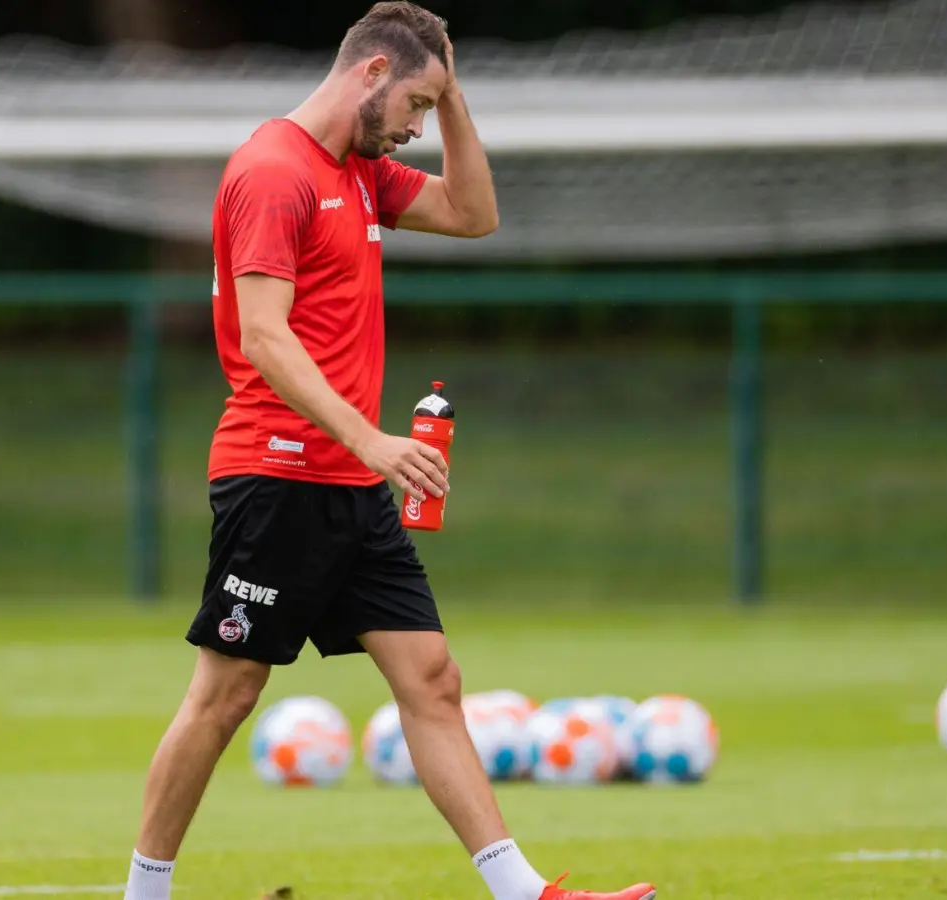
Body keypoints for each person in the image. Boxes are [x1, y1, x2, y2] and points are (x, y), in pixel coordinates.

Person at [119, 4, 657, 900]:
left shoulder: (362, 172)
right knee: (225, 696)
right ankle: (144, 895)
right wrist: (370, 437)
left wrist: (451, 94)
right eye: (413, 103)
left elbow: (475, 212)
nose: (415, 126)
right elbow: (264, 336)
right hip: (277, 472)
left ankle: (525, 893)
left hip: (351, 482)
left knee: (433, 679)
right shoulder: (273, 169)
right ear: (370, 72)